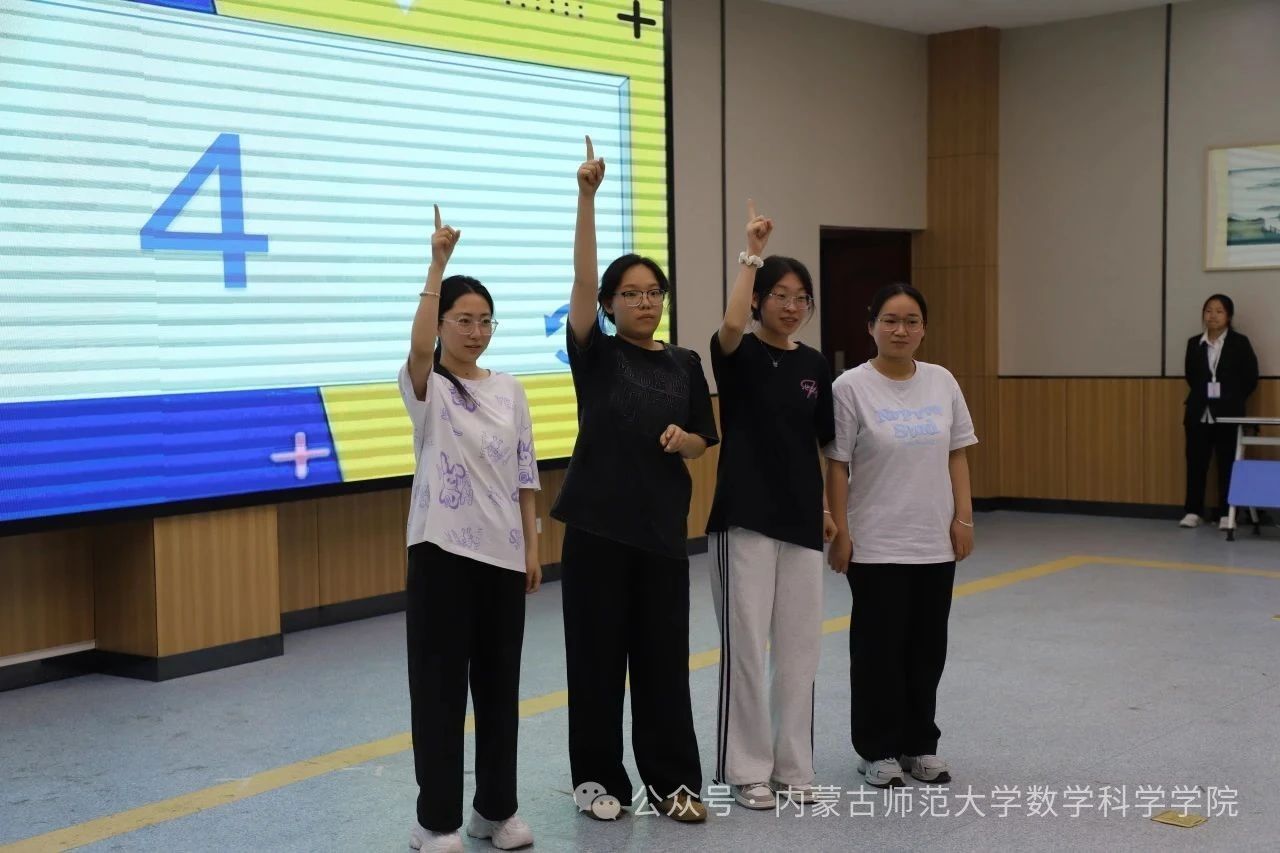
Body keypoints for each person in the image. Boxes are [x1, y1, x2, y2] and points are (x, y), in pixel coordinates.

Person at [551, 136, 718, 822]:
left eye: (653, 292)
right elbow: (581, 282)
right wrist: (587, 198)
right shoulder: (595, 354)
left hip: (661, 534)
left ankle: (674, 783)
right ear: (610, 303)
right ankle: (597, 781)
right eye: (631, 293)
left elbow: (705, 437)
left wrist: (686, 441)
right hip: (597, 530)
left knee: (662, 664)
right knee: (596, 662)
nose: (644, 302)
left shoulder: (684, 363)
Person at [401, 205, 542, 853]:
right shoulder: (426, 385)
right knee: (439, 691)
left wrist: (533, 547)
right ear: (442, 324)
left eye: (485, 320)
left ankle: (495, 810)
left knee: (498, 690)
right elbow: (417, 347)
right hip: (440, 553)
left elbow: (525, 473)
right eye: (464, 319)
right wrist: (437, 266)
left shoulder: (510, 389)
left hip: (504, 558)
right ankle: (435, 822)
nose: (476, 331)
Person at [706, 201, 835, 809]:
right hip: (745, 519)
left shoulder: (814, 365)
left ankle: (793, 766)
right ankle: (747, 769)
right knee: (747, 648)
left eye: (800, 297)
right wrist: (751, 254)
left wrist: (828, 511)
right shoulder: (738, 352)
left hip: (801, 521)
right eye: (779, 295)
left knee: (800, 650)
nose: (791, 305)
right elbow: (730, 325)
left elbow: (821, 445)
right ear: (759, 299)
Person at [824, 283, 977, 790]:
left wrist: (963, 518)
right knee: (878, 652)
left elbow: (957, 453)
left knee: (927, 650)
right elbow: (837, 464)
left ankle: (919, 745)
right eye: (890, 320)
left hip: (933, 540)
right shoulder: (850, 387)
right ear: (871, 326)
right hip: (875, 544)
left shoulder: (941, 380)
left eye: (911, 321)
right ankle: (877, 749)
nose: (900, 330)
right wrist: (841, 531)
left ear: (924, 329)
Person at [1180, 294, 1259, 531]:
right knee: (1196, 462)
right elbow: (1191, 376)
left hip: (1228, 411)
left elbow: (1250, 378)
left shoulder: (1240, 343)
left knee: (1227, 463)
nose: (1212, 316)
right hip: (1199, 411)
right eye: (1208, 310)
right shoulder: (1194, 343)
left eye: (1219, 311)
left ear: (1229, 316)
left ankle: (1227, 512)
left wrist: (1231, 399)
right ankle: (1193, 511)